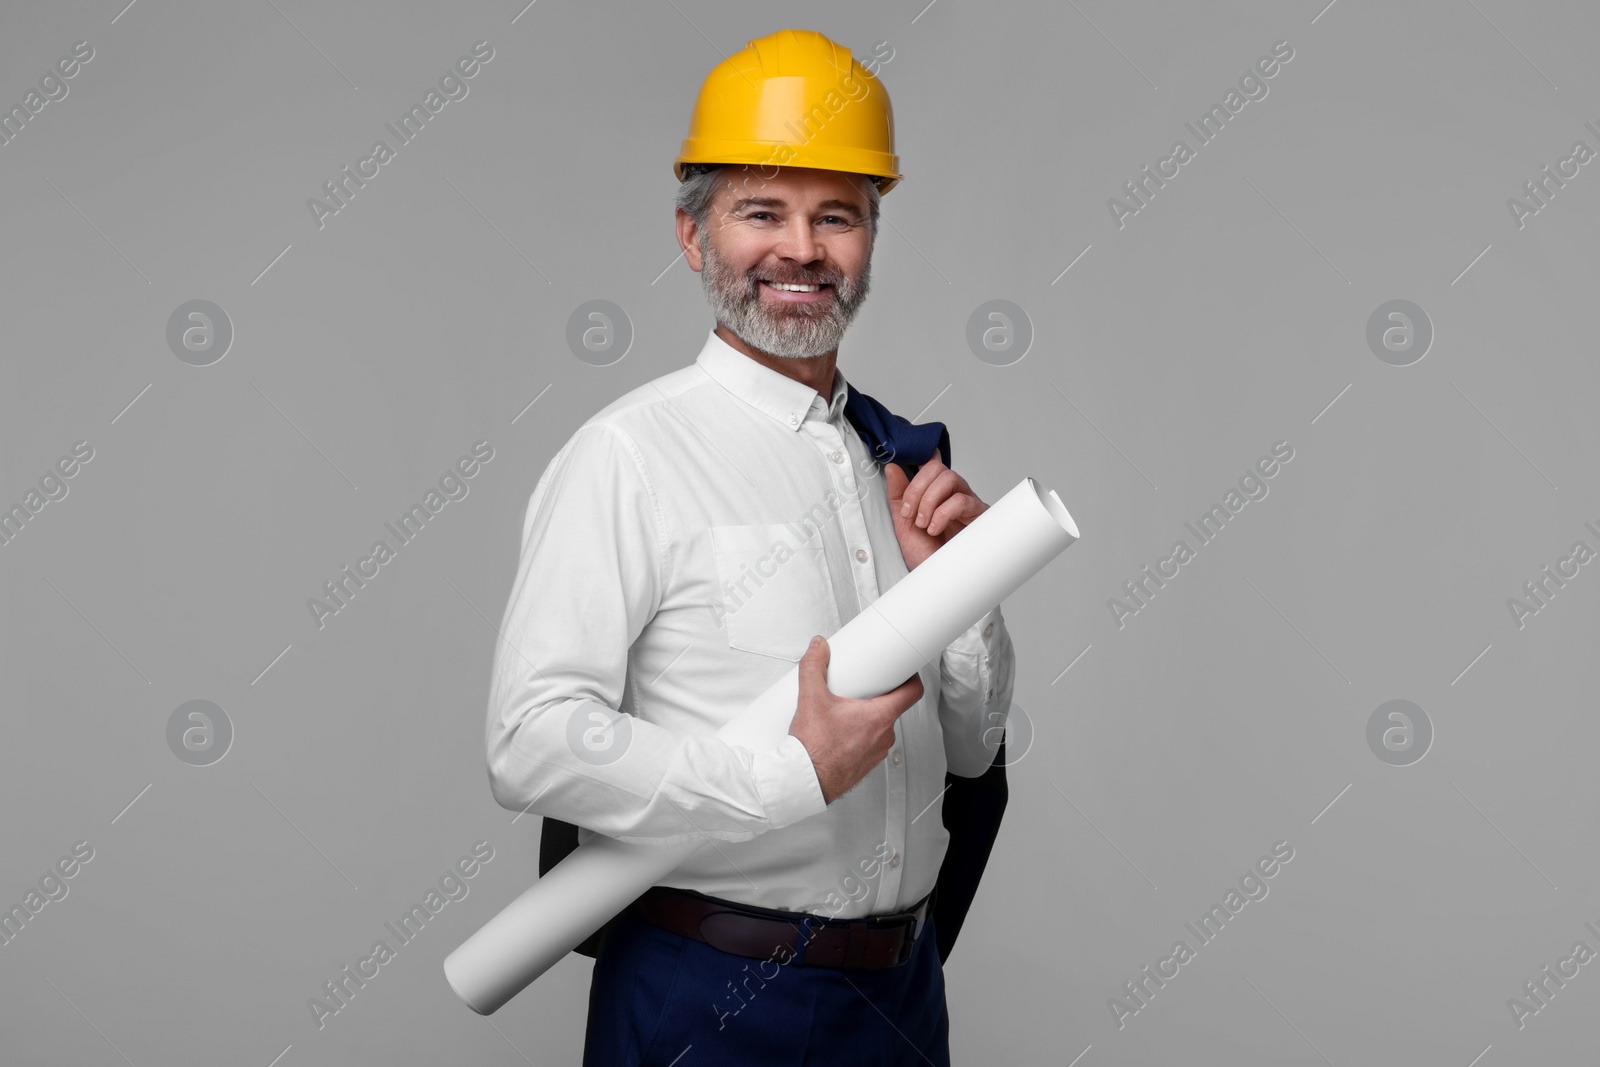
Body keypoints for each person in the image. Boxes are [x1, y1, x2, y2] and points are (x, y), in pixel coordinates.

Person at [484, 28, 1017, 1066]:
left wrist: (958, 592)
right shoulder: (628, 456)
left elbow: (965, 751)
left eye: (837, 217)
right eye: (760, 212)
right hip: (706, 997)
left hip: (902, 995)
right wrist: (782, 773)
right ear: (693, 237)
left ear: (869, 237)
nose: (802, 250)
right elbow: (531, 738)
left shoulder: (897, 460)